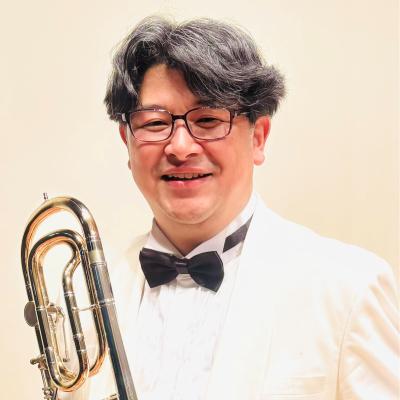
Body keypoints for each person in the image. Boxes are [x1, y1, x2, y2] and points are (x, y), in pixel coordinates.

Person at [62, 16, 399, 400]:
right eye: (155, 123)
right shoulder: (84, 295)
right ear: (127, 141)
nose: (180, 147)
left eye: (207, 119)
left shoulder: (349, 289)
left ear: (258, 138)